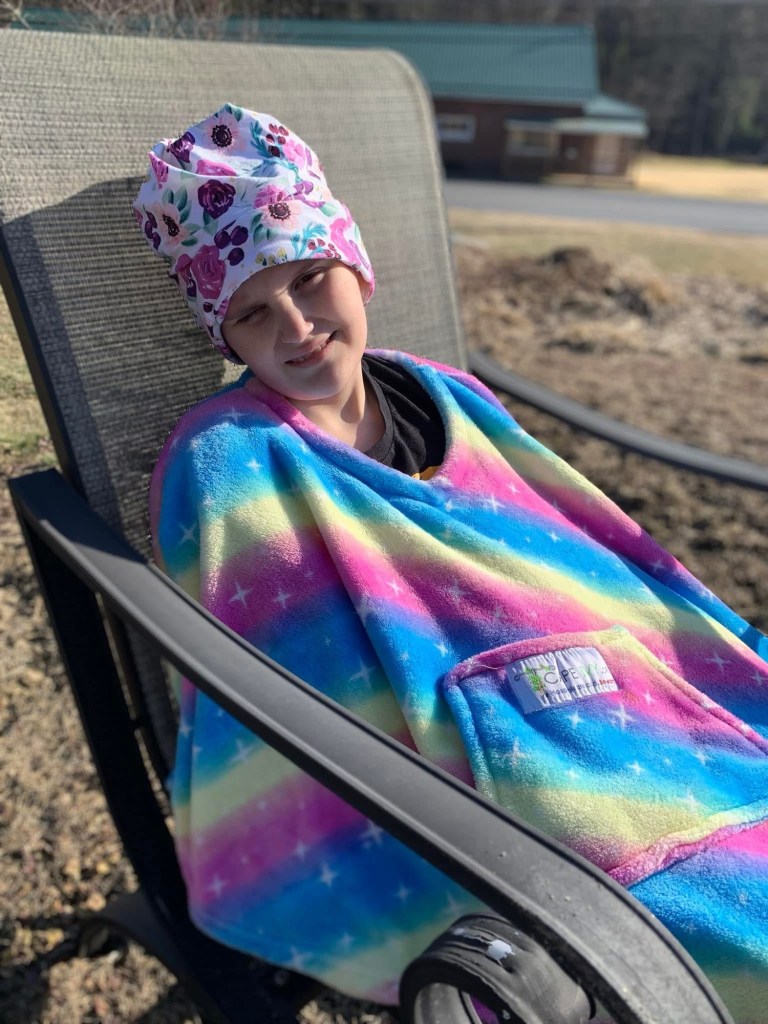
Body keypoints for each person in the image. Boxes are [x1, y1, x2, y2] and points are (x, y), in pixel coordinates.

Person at [135, 105, 768, 1020]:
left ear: (355, 264)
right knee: (725, 922)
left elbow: (571, 551)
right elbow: (280, 667)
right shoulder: (229, 463)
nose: (299, 326)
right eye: (254, 312)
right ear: (222, 335)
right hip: (468, 783)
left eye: (311, 279)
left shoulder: (449, 397)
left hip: (624, 707)